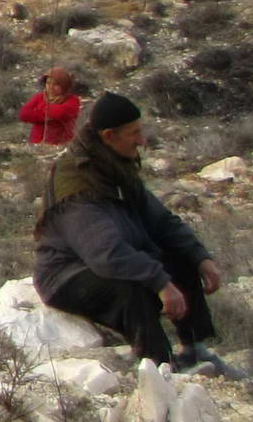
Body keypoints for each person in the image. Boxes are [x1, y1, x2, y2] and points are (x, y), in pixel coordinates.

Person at [35, 92, 225, 373]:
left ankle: (195, 351)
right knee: (131, 288)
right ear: (109, 136)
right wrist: (161, 283)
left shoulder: (115, 167)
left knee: (181, 259)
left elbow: (162, 221)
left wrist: (201, 258)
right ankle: (161, 367)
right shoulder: (76, 183)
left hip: (105, 261)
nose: (142, 140)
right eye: (134, 133)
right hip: (67, 275)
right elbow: (105, 253)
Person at [19, 66, 82, 147]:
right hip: (37, 144)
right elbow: (24, 114)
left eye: (56, 84)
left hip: (60, 145)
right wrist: (46, 116)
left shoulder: (72, 100)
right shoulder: (39, 97)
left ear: (64, 85)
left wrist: (39, 111)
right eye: (48, 83)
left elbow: (60, 113)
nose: (51, 87)